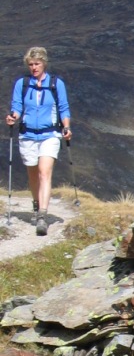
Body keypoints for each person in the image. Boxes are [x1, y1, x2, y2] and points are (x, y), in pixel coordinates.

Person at [5, 46, 72, 236]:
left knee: (44, 172)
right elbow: (17, 106)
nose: (34, 67)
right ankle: (36, 204)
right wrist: (13, 117)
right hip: (27, 135)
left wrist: (66, 127)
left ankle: (42, 215)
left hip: (50, 135)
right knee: (33, 174)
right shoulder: (22, 84)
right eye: (31, 64)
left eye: (37, 64)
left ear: (44, 63)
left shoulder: (56, 84)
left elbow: (63, 108)